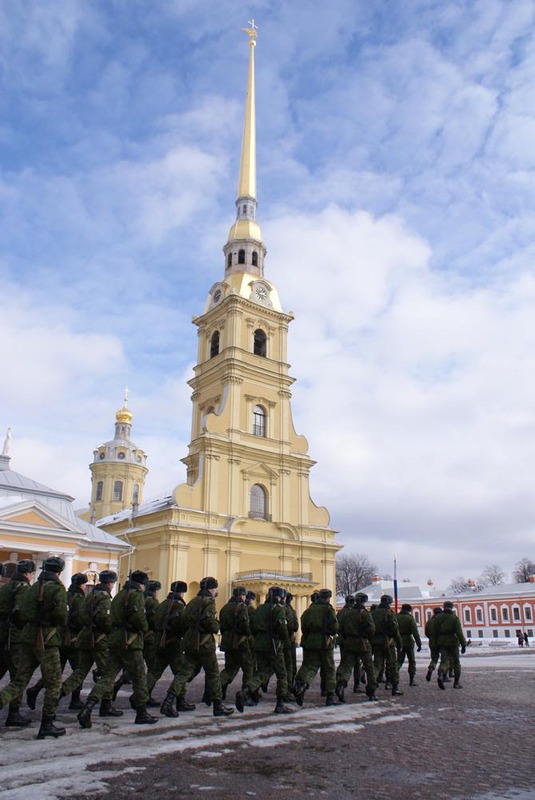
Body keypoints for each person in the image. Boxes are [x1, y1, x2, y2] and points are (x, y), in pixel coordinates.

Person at [77, 570, 158, 727]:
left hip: (115, 640)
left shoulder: (120, 595)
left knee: (107, 676)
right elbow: (139, 619)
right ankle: (141, 712)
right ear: (141, 584)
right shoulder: (136, 595)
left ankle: (88, 708)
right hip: (131, 642)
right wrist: (145, 626)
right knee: (139, 676)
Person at [0, 556, 68, 739]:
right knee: (54, 683)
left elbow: (23, 612)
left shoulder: (32, 589)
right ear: (59, 572)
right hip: (46, 639)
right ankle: (47, 724)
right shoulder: (56, 588)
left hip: (26, 636)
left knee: (20, 679)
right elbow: (62, 615)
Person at [161, 577, 234, 717]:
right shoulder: (209, 602)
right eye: (216, 588)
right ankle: (217, 705)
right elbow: (210, 624)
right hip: (204, 643)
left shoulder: (192, 602)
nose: (217, 591)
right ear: (212, 589)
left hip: (190, 642)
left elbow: (183, 620)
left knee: (183, 673)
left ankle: (168, 701)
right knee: (213, 674)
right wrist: (217, 626)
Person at [27, 572, 89, 711]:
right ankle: (74, 699)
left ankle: (36, 689)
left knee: (55, 671)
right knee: (79, 670)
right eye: (85, 584)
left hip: (59, 638)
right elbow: (79, 619)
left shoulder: (66, 595)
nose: (86, 587)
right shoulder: (79, 598)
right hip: (73, 639)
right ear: (81, 584)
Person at [60, 570, 119, 712]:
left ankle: (57, 695)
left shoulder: (90, 595)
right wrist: (110, 629)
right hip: (98, 640)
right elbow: (105, 619)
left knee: (80, 672)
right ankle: (106, 705)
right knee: (107, 673)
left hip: (84, 637)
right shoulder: (104, 597)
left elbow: (81, 614)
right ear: (110, 583)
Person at [236, 586, 291, 714]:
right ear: (278, 597)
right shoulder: (278, 609)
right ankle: (280, 703)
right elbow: (282, 627)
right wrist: (285, 639)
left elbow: (251, 627)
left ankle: (247, 691)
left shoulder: (259, 609)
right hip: (274, 644)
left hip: (259, 644)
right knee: (282, 674)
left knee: (263, 671)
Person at [0, 559, 36, 726]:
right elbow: (22, 612)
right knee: (18, 676)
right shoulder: (22, 588)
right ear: (28, 573)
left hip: (2, 634)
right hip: (14, 637)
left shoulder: (6, 586)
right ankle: (13, 714)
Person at [151, 581, 195, 717]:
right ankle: (177, 701)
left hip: (158, 641)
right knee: (181, 673)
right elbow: (182, 625)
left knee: (154, 672)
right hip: (172, 643)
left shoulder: (162, 604)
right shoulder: (179, 606)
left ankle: (139, 696)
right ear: (182, 592)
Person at [294, 588, 339, 707]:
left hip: (309, 641)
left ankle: (302, 685)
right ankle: (330, 696)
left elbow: (303, 626)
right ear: (328, 597)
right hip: (324, 642)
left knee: (310, 666)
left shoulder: (309, 610)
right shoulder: (328, 610)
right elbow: (334, 628)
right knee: (329, 669)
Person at [336, 592, 378, 702]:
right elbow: (372, 629)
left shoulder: (347, 614)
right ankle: (371, 692)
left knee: (346, 666)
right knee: (369, 668)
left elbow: (340, 628)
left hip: (349, 642)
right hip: (363, 643)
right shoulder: (365, 614)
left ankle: (341, 685)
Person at [218, 586, 253, 701]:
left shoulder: (225, 607)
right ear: (242, 595)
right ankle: (245, 693)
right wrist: (249, 637)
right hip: (240, 642)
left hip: (227, 641)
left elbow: (221, 626)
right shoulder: (242, 608)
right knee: (248, 668)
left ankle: (216, 687)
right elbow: (245, 626)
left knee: (230, 668)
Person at [371, 594, 403, 696]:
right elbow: (395, 630)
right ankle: (395, 687)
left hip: (375, 641)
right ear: (389, 602)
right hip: (388, 642)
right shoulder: (389, 613)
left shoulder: (373, 613)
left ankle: (372, 686)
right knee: (392, 664)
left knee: (377, 665)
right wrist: (399, 643)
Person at [434, 600, 467, 690]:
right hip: (453, 642)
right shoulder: (454, 618)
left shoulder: (438, 617)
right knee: (456, 662)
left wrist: (436, 643)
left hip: (441, 641)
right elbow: (459, 633)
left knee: (444, 660)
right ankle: (456, 682)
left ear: (443, 607)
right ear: (452, 607)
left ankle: (441, 675)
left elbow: (434, 632)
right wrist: (463, 644)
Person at [397, 604, 422, 686]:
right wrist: (419, 644)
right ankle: (411, 680)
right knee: (411, 661)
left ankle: (393, 677)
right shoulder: (410, 618)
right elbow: (415, 632)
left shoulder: (396, 617)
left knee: (399, 661)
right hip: (408, 641)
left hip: (399, 641)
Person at [425, 606, 443, 682]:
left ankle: (431, 668)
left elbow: (427, 633)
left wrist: (431, 638)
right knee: (444, 659)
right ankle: (441, 675)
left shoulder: (429, 621)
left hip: (432, 641)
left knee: (434, 658)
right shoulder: (442, 620)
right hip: (442, 641)